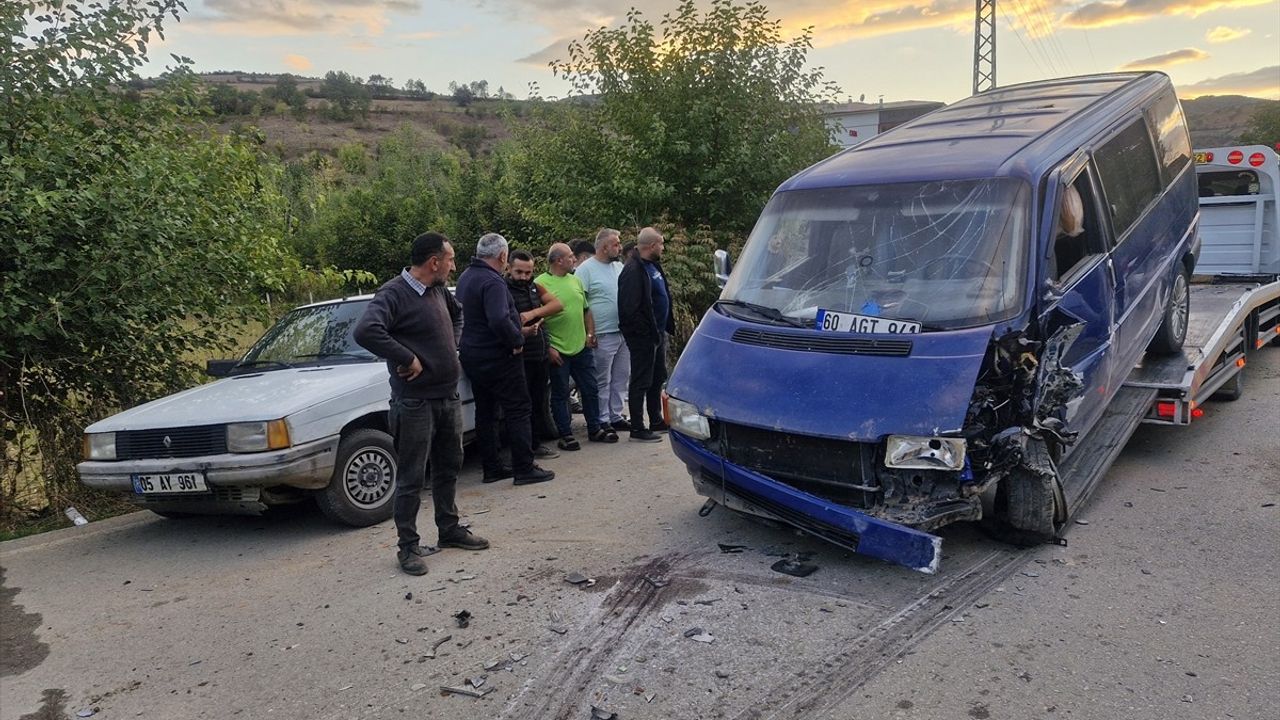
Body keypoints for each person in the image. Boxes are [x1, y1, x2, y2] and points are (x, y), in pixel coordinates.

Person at [353, 231, 489, 576]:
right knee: (411, 477)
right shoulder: (393, 293)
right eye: (450, 259)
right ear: (434, 262)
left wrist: (452, 345)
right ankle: (408, 547)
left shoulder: (438, 291)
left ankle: (449, 529)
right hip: (414, 403)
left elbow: (458, 316)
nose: (453, 266)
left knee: (449, 467)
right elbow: (366, 330)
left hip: (447, 397)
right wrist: (407, 357)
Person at [455, 233, 556, 486]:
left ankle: (492, 467)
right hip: (498, 356)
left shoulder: (466, 277)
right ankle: (524, 467)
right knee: (518, 408)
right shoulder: (493, 281)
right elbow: (499, 319)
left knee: (486, 411)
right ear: (503, 256)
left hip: (473, 354)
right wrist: (517, 340)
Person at [537, 242, 617, 450]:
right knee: (560, 393)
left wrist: (590, 333)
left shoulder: (575, 280)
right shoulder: (540, 283)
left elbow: (586, 310)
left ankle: (595, 428)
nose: (574, 259)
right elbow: (538, 320)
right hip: (558, 348)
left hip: (581, 347)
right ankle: (565, 434)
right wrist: (548, 347)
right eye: (570, 256)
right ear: (558, 260)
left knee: (590, 388)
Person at [505, 249, 563, 459]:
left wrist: (533, 313)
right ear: (508, 268)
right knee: (522, 405)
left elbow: (557, 304)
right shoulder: (502, 289)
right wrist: (522, 330)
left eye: (528, 272)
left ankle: (535, 444)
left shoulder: (534, 286)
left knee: (538, 402)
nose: (523, 277)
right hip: (519, 356)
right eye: (519, 272)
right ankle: (524, 449)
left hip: (540, 353)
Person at [618, 227, 674, 443]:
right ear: (651, 246)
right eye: (661, 244)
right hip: (643, 336)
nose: (663, 248)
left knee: (657, 377)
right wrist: (644, 334)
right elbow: (629, 308)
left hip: (658, 333)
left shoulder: (653, 265)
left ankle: (656, 419)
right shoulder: (633, 270)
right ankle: (637, 427)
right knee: (641, 380)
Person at [574, 228, 631, 432]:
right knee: (602, 379)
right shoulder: (586, 270)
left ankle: (616, 415)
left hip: (622, 331)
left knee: (621, 377)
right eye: (616, 244)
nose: (620, 248)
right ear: (604, 247)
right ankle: (601, 418)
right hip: (602, 333)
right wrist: (588, 332)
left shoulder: (619, 267)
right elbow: (579, 303)